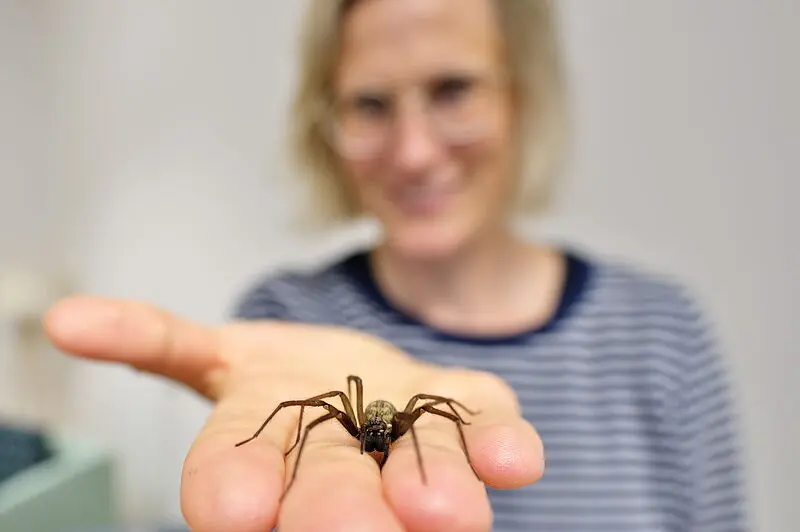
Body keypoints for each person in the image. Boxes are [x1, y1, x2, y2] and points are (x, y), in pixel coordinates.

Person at [43, 0, 749, 531]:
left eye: (453, 90)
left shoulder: (664, 330)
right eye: (371, 104)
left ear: (523, 97)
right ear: (328, 122)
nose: (414, 151)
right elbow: (294, 420)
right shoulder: (285, 324)